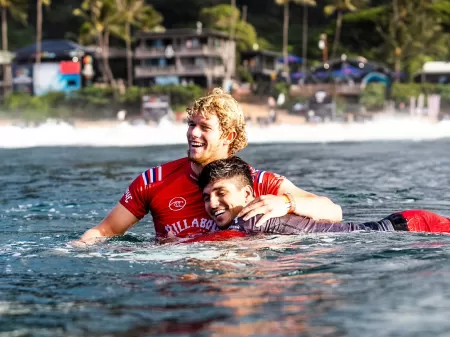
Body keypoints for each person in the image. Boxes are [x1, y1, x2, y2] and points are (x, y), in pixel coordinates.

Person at [75, 88, 342, 245]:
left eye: (205, 128)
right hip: (178, 279)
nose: (193, 134)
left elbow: (333, 211)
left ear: (228, 136)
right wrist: (73, 250)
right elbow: (105, 231)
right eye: (191, 125)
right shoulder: (154, 181)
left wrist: (286, 202)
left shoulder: (254, 182)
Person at [195, 156, 450, 239]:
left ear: (247, 193)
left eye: (221, 193)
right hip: (400, 226)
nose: (213, 204)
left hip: (409, 227)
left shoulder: (254, 219)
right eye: (206, 197)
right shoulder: (248, 223)